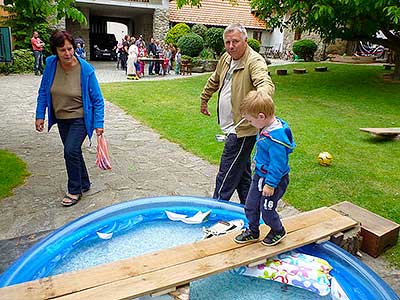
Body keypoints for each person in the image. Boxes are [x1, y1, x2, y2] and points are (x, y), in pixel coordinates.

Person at [200, 23, 274, 204]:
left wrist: (259, 100)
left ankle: (215, 209)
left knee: (226, 175)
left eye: (235, 41)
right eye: (227, 42)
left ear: (245, 41)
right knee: (242, 174)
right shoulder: (226, 58)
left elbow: (265, 82)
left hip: (242, 129)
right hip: (229, 125)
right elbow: (215, 79)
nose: (231, 46)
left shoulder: (254, 61)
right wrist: (204, 98)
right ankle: (251, 209)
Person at [35, 30, 105, 207]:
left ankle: (74, 190)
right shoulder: (51, 64)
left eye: (70, 48)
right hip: (61, 117)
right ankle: (84, 182)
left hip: (80, 118)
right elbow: (44, 91)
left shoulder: (86, 70)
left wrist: (99, 124)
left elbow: (98, 99)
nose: (67, 53)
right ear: (55, 51)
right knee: (72, 151)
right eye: (62, 50)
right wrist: (39, 115)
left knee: (70, 151)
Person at [234, 90, 295, 246]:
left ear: (261, 117)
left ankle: (277, 230)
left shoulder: (276, 139)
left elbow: (278, 164)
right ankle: (253, 231)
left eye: (250, 120)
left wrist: (270, 184)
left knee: (267, 210)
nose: (250, 124)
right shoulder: (265, 128)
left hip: (274, 180)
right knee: (251, 205)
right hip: (260, 176)